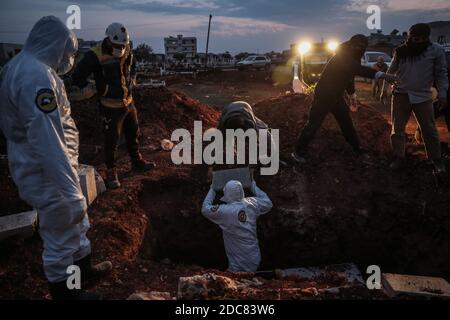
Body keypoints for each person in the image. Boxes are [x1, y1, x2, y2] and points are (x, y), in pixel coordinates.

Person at [0, 16, 111, 300]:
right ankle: (67, 293)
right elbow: (47, 139)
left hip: (53, 168)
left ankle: (82, 274)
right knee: (60, 232)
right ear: (54, 45)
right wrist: (71, 191)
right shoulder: (35, 76)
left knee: (76, 226)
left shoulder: (27, 68)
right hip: (45, 170)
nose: (68, 59)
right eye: (67, 52)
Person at [71, 22, 155, 189]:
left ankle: (137, 161)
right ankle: (111, 172)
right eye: (117, 45)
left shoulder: (127, 49)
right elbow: (78, 76)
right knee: (111, 140)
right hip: (110, 106)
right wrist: (94, 89)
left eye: (123, 45)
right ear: (108, 40)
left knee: (133, 133)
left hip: (128, 102)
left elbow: (133, 64)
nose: (120, 48)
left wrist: (133, 79)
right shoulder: (95, 55)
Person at [292, 35, 398, 164]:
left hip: (337, 95)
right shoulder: (343, 55)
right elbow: (356, 69)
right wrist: (382, 75)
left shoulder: (353, 56)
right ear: (351, 45)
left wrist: (352, 94)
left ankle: (357, 150)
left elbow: (349, 76)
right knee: (314, 123)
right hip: (324, 95)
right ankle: (297, 151)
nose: (360, 49)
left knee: (346, 123)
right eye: (357, 46)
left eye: (362, 47)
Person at [381, 23, 448, 172]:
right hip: (400, 95)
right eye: (413, 38)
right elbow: (391, 71)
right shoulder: (401, 51)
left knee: (429, 129)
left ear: (426, 38)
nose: (415, 42)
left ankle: (436, 159)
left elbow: (441, 73)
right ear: (409, 37)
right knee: (397, 128)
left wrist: (443, 94)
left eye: (419, 39)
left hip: (423, 96)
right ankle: (399, 157)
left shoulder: (436, 51)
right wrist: (384, 89)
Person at [202, 180, 273, 273]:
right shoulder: (252, 203)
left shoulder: (224, 211)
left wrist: (212, 189)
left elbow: (205, 208)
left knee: (232, 279)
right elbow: (268, 203)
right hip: (254, 258)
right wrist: (252, 185)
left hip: (237, 264)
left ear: (227, 194)